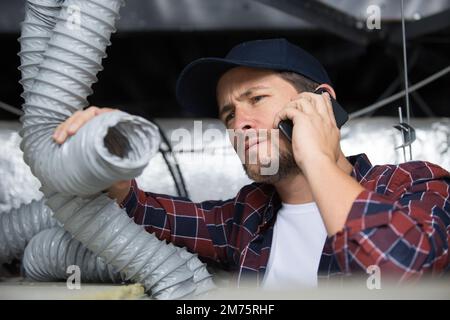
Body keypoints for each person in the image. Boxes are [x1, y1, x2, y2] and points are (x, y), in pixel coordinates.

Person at [53, 39, 450, 289]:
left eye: (256, 98)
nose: (239, 123)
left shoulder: (413, 184)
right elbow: (143, 211)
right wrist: (104, 149)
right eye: (228, 115)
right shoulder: (247, 216)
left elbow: (402, 270)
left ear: (322, 101)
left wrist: (315, 156)